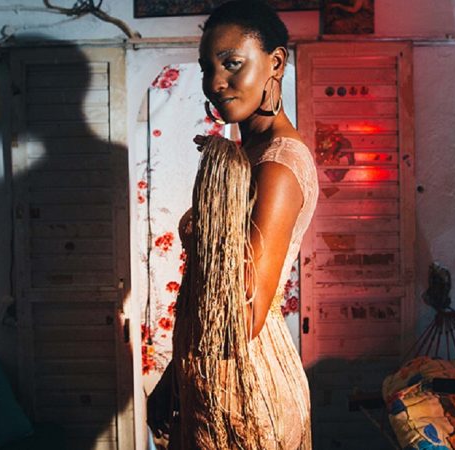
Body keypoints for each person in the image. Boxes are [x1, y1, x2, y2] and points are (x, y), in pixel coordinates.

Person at [147, 1, 318, 448]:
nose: (215, 82)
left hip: (247, 394)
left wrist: (216, 183)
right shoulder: (249, 157)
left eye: (232, 64)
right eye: (208, 68)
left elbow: (239, 319)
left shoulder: (277, 166)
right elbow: (209, 292)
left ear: (275, 63)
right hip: (211, 382)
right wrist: (174, 381)